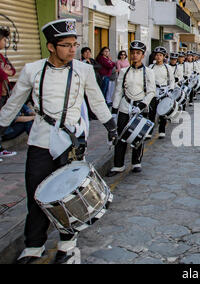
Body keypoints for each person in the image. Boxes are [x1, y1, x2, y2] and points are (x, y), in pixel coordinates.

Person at [0, 18, 117, 264]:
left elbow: (96, 100)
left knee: (68, 195)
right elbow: (13, 103)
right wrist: (1, 125)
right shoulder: (32, 69)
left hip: (71, 142)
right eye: (66, 45)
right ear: (51, 46)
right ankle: (34, 245)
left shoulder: (83, 70)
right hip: (40, 141)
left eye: (75, 44)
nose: (72, 49)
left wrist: (110, 126)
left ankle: (67, 242)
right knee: (37, 194)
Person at [107, 40, 156, 177]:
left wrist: (142, 104)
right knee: (120, 136)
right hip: (125, 106)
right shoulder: (123, 71)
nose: (135, 55)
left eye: (138, 53)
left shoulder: (149, 72)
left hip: (140, 108)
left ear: (143, 55)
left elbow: (152, 91)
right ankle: (118, 165)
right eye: (133, 53)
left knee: (138, 136)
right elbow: (118, 91)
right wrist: (114, 111)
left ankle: (136, 163)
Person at [149, 46, 175, 139]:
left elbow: (172, 80)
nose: (158, 57)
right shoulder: (151, 67)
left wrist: (171, 89)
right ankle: (149, 131)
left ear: (164, 57)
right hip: (153, 91)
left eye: (161, 55)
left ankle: (162, 130)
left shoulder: (167, 67)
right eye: (157, 55)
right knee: (151, 112)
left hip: (164, 91)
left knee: (163, 112)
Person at [0, 26, 17, 158]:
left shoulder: (1, 56)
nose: (6, 43)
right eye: (5, 40)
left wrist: (5, 72)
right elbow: (3, 74)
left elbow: (13, 70)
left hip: (4, 94)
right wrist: (4, 72)